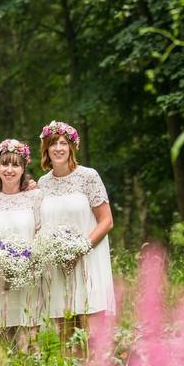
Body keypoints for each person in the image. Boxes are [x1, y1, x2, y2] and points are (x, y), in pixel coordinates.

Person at [37, 120, 114, 349]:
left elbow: (106, 221)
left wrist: (80, 248)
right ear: (46, 149)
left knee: (93, 335)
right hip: (58, 267)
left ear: (72, 146)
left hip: (88, 260)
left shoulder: (88, 176)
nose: (58, 148)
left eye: (63, 143)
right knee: (67, 339)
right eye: (53, 144)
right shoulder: (43, 184)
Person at [0, 139, 43, 346]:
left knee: (28, 342)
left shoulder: (35, 196)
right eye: (4, 164)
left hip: (27, 276)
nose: (9, 170)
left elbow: (40, 233)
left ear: (23, 167)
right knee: (3, 341)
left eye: (15, 164)